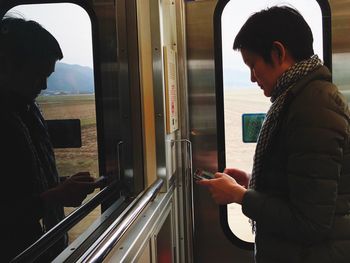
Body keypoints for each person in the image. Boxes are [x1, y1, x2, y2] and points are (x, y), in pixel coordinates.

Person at [198, 6, 350, 263]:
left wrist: (240, 196)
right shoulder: (297, 99)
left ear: (278, 53)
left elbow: (309, 223)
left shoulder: (313, 108)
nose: (252, 78)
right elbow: (302, 187)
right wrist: (253, 182)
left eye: (253, 65)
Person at [0, 17, 100, 262]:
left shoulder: (26, 110)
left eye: (48, 75)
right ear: (7, 65)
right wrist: (56, 196)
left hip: (40, 244)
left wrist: (60, 184)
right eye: (37, 75)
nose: (44, 85)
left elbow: (22, 182)